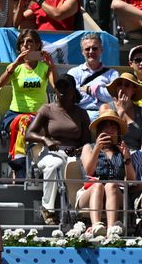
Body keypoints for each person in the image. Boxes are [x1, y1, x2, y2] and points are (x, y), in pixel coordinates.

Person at [24, 75, 92, 224]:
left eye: (65, 87)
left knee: (80, 166)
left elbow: (87, 142)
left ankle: (80, 210)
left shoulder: (81, 113)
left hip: (73, 153)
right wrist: (44, 139)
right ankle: (47, 208)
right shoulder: (46, 109)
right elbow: (28, 134)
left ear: (73, 91)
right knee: (55, 164)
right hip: (51, 151)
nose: (61, 90)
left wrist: (77, 151)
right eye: (58, 87)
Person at [77, 110, 132, 235]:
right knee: (98, 185)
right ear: (99, 131)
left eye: (113, 128)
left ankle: (111, 228)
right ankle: (96, 225)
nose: (109, 131)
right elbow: (89, 172)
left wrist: (127, 158)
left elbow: (131, 179)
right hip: (90, 192)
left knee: (110, 184)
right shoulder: (88, 147)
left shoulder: (122, 150)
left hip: (116, 193)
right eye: (105, 127)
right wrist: (97, 148)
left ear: (118, 132)